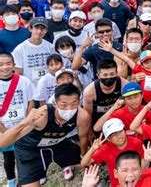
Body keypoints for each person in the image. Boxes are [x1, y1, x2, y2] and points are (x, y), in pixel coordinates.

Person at [0, 84, 90, 186]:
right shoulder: (42, 115)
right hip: (30, 148)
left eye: (74, 104)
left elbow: (83, 137)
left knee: (90, 162)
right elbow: (3, 143)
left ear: (79, 102)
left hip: (58, 143)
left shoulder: (82, 116)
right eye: (64, 105)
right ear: (55, 103)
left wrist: (84, 155)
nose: (69, 109)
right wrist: (25, 122)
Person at [0, 53, 35, 187]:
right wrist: (5, 131)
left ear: (14, 65)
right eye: (1, 65)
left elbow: (31, 101)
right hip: (4, 128)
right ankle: (11, 179)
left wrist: (26, 123)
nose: (5, 67)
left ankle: (28, 178)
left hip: (24, 126)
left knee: (27, 153)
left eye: (8, 63)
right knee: (9, 157)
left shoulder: (23, 81)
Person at [81, 118, 145, 186]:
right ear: (108, 139)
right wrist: (92, 149)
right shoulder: (105, 149)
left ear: (124, 130)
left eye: (120, 131)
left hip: (137, 179)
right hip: (117, 184)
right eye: (113, 134)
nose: (119, 136)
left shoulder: (136, 142)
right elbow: (84, 163)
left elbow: (143, 160)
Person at [82, 59, 126, 130]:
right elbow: (88, 114)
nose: (108, 77)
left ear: (117, 73)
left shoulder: (124, 85)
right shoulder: (89, 92)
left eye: (112, 74)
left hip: (117, 118)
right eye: (105, 75)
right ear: (98, 76)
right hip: (98, 121)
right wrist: (89, 131)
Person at [12, 17, 55, 88]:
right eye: (36, 28)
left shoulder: (50, 47)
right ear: (30, 28)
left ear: (46, 30)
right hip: (29, 87)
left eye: (42, 28)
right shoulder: (20, 49)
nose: (39, 31)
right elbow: (18, 73)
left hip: (48, 86)